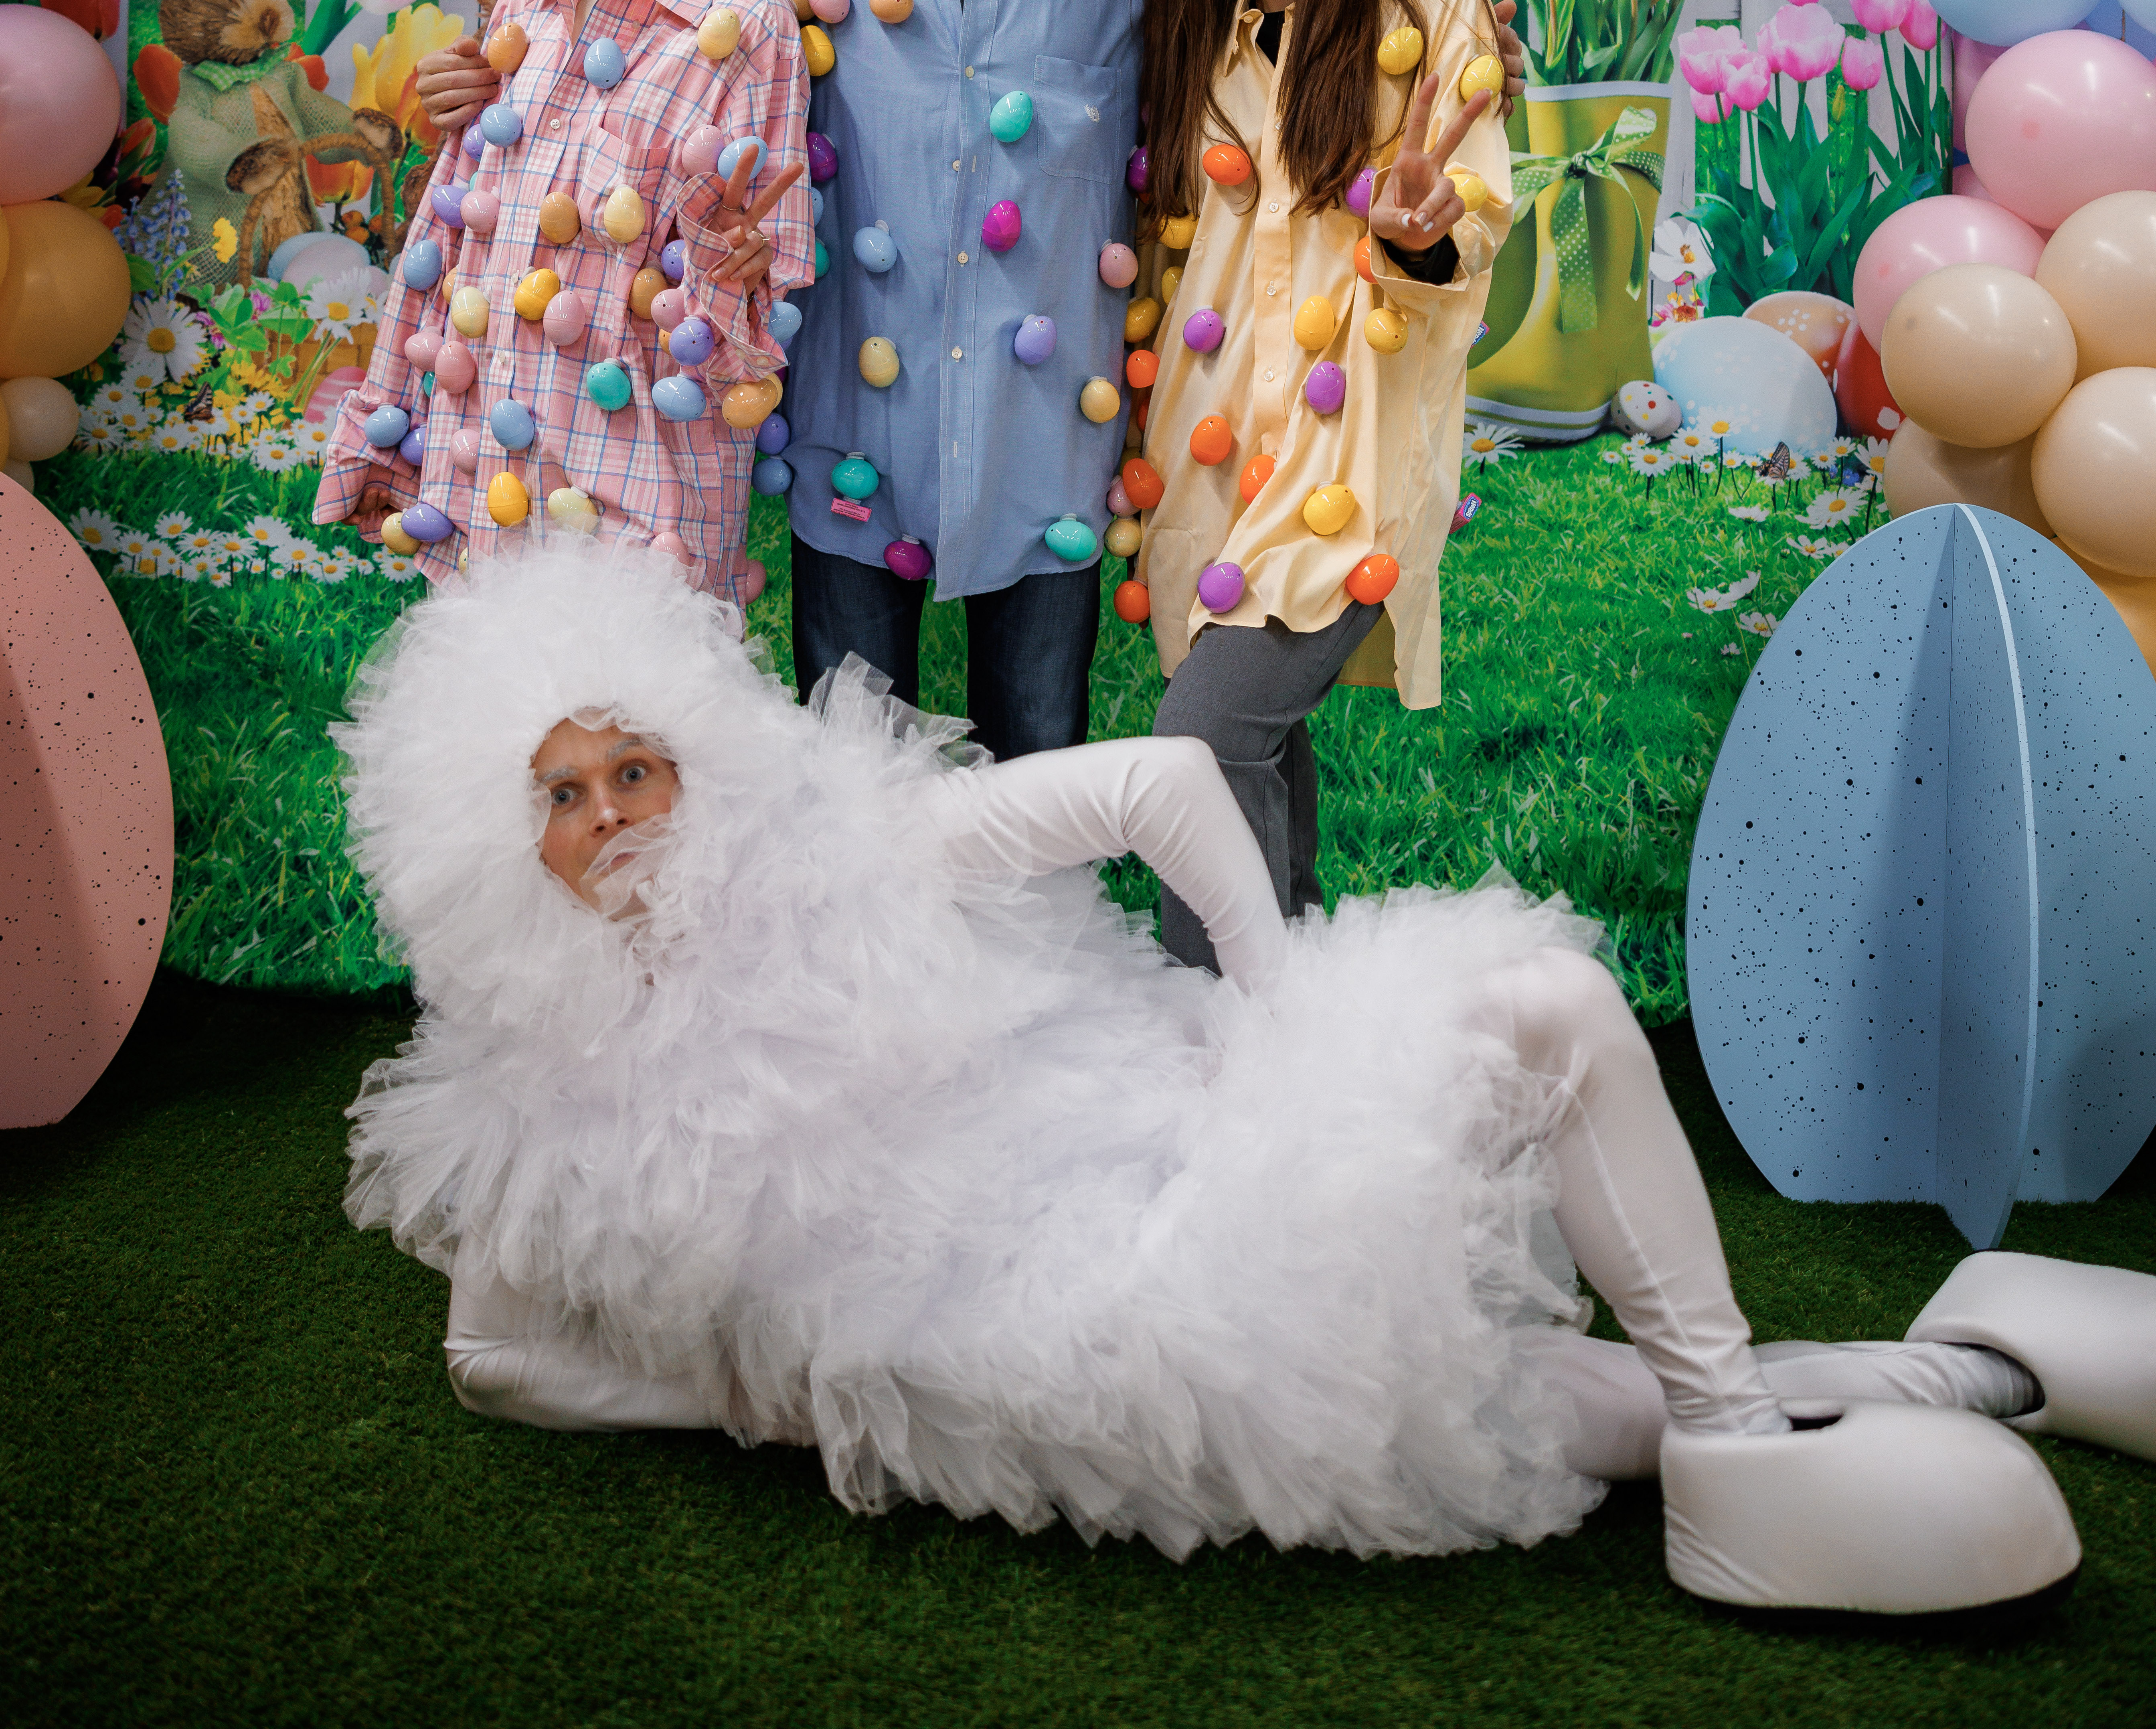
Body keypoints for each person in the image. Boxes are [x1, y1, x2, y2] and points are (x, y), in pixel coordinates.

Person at [335, 543, 2150, 1614]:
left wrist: (1275, 1007)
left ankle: (1762, 1450)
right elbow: (496, 1357)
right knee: (1569, 1409)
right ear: (507, 853)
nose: (607, 822)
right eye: (559, 800)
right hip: (1090, 1341)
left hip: (1172, 1156)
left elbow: (1154, 789)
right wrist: (773, 1386)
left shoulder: (857, 845)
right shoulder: (548, 1069)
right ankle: (1961, 1370)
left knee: (1536, 1010)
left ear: (689, 757)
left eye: (630, 773)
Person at [1085, 0, 1511, 964]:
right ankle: (1293, 1064)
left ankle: (1220, 1045)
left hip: (1345, 458)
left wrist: (1422, 231)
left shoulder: (1423, 11)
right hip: (1209, 458)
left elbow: (1472, 226)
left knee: (1196, 754)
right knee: (1252, 765)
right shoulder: (1200, 36)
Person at [316, 0, 852, 600]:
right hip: (488, 464)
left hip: (629, 479)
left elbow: (760, 284)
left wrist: (735, 262)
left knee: (616, 743)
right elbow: (455, 234)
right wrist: (396, 415)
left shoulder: (752, 25)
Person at [749, 0, 1148, 760]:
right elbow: (702, 118)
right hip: (855, 443)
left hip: (1045, 451)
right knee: (851, 779)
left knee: (1037, 772)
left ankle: (1030, 959)